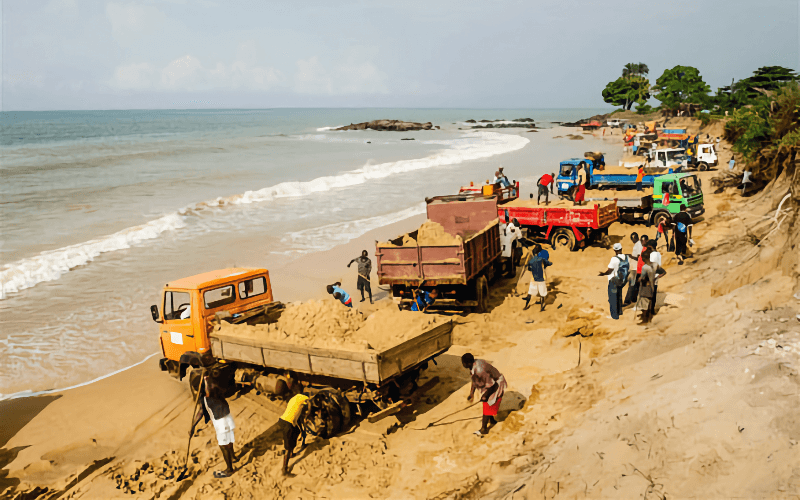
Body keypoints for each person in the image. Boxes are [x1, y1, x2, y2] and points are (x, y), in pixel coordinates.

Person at [190, 374, 236, 478]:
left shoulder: (209, 394)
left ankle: (229, 470)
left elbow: (200, 412)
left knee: (223, 445)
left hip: (221, 420)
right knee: (229, 439)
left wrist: (193, 426)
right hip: (227, 417)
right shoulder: (216, 389)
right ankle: (233, 457)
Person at [462, 353, 507, 436]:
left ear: (468, 363)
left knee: (487, 406)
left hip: (495, 383)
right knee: (487, 404)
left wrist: (485, 395)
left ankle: (484, 429)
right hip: (489, 384)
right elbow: (474, 380)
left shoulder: (480, 370)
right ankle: (492, 421)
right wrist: (472, 393)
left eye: (463, 363)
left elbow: (494, 385)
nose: (462, 364)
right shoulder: (473, 366)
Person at [277, 389, 309, 476]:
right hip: (287, 423)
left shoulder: (294, 399)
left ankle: (291, 454)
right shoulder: (302, 397)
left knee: (296, 431)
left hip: (283, 421)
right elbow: (309, 403)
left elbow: (297, 415)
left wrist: (302, 429)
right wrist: (308, 413)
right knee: (288, 447)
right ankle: (284, 470)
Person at [598, 243, 629, 320]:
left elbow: (610, 270)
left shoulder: (614, 259)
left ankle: (614, 316)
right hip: (622, 280)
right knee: (619, 295)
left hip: (614, 280)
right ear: (621, 249)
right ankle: (619, 311)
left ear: (614, 250)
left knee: (612, 298)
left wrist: (603, 274)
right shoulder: (626, 257)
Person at [523, 244, 552, 311]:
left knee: (530, 292)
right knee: (542, 293)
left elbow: (529, 269)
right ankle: (541, 307)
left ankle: (526, 306)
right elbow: (549, 263)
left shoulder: (531, 261)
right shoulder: (542, 259)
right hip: (541, 278)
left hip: (534, 278)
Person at [646, 241, 665, 318]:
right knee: (653, 294)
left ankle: (649, 311)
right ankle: (652, 310)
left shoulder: (652, 255)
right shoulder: (658, 254)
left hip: (652, 276)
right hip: (656, 276)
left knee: (649, 294)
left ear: (650, 246)